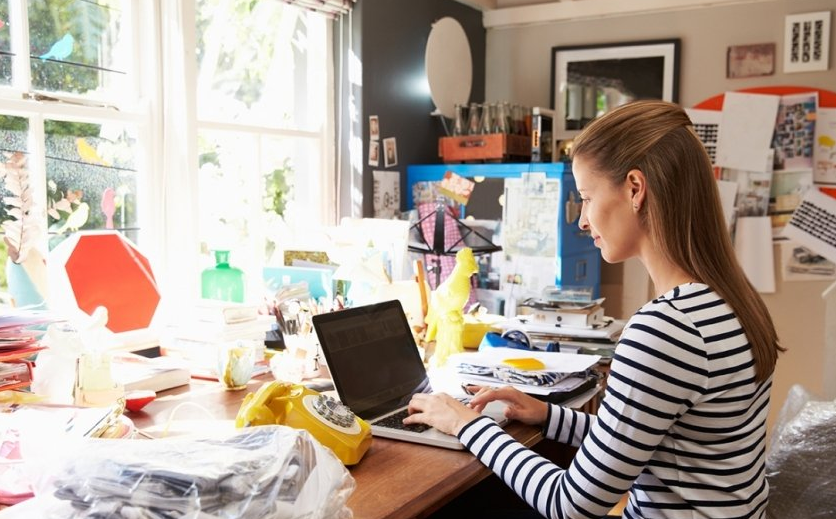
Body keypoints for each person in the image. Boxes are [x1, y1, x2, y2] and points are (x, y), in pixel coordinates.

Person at [404, 100, 783, 518]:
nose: (583, 221)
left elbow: (570, 505)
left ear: (635, 188)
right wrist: (549, 416)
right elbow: (648, 440)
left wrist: (466, 425)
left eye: (586, 198)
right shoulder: (731, 300)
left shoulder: (667, 328)